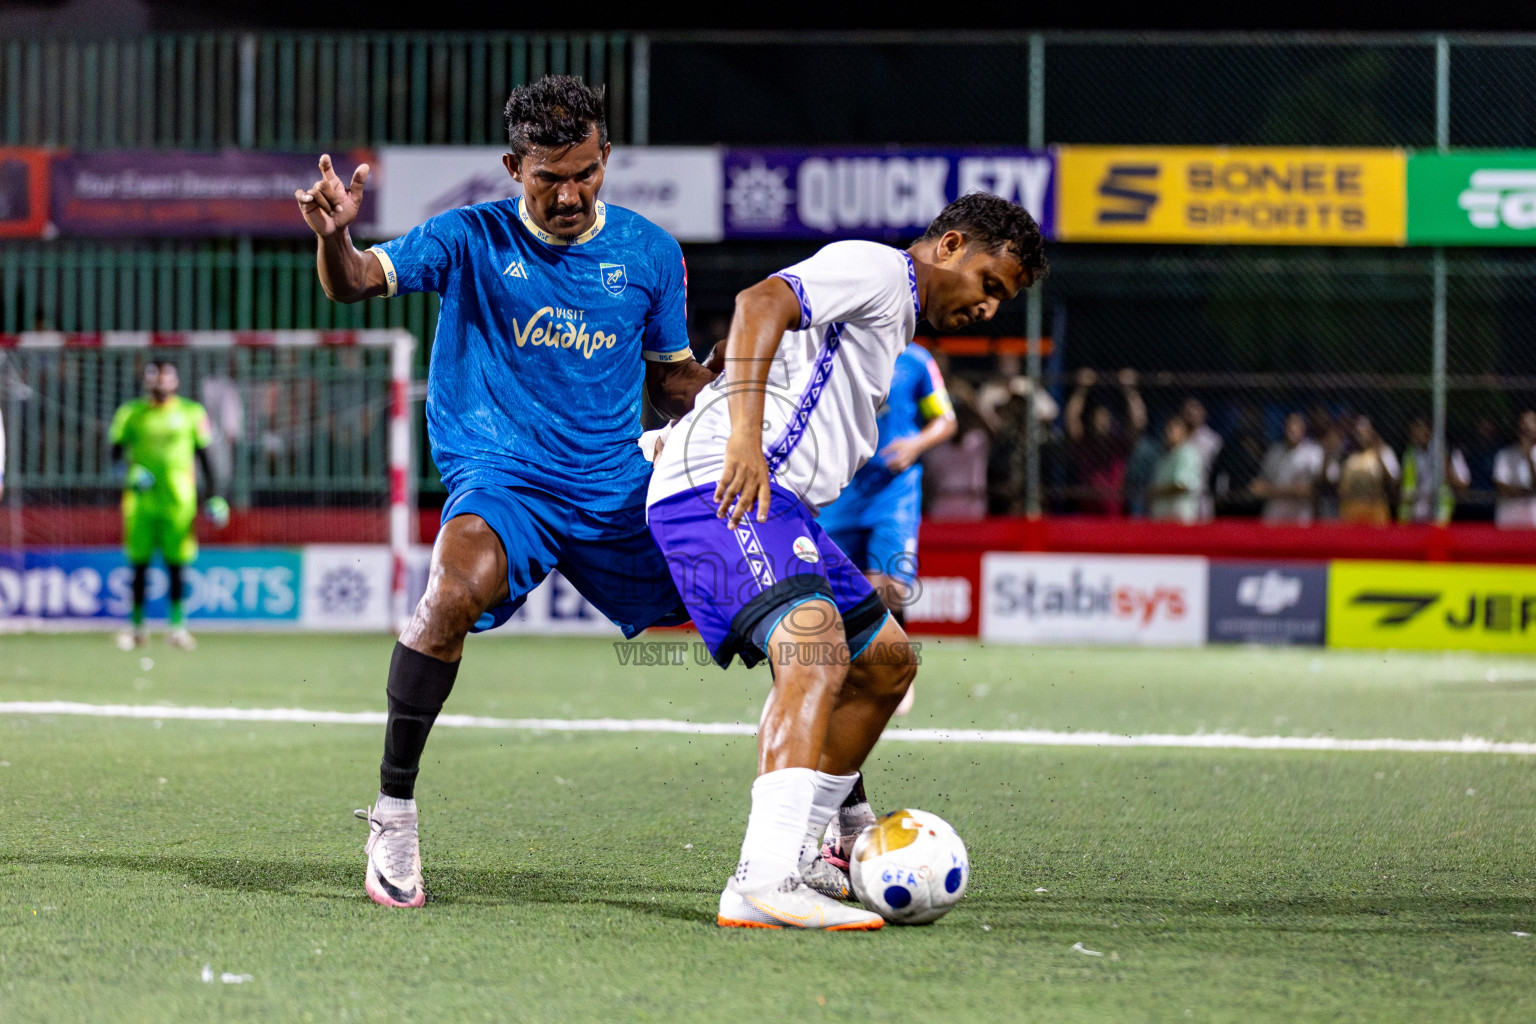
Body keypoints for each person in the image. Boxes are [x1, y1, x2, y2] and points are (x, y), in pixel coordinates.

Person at [297, 75, 715, 909]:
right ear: (511, 166)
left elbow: (672, 384)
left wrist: (742, 392)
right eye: (547, 176)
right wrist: (336, 239)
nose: (569, 193)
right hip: (503, 477)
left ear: (606, 161)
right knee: (447, 596)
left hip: (614, 487)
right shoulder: (467, 237)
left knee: (752, 593)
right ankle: (394, 814)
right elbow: (353, 283)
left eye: (586, 173)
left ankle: (833, 820)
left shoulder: (649, 252)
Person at [645, 193, 1045, 930]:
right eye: (991, 284)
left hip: (781, 504)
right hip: (726, 486)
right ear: (951, 245)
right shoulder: (881, 272)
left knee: (888, 661)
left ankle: (800, 858)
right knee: (815, 646)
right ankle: (763, 881)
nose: (990, 308)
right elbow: (759, 301)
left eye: (1004, 301)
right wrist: (735, 435)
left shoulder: (892, 322)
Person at [815, 341, 956, 716]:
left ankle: (895, 670)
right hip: (841, 490)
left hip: (894, 492)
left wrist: (916, 444)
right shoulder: (836, 349)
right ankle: (849, 673)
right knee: (831, 591)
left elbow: (946, 419)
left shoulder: (917, 361)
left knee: (891, 586)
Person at [108, 361, 229, 651]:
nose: (161, 382)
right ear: (147, 380)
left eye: (166, 376)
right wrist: (128, 473)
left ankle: (177, 628)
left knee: (178, 566)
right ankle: (136, 628)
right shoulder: (131, 413)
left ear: (175, 380)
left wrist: (216, 495)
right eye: (156, 376)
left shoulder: (191, 412)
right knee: (139, 566)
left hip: (179, 502)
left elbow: (207, 457)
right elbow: (113, 456)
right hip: (140, 503)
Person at [1064, 368, 1146, 515]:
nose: (1102, 421)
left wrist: (1130, 391)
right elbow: (1071, 420)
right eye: (1098, 417)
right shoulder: (1086, 445)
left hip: (1115, 513)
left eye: (1105, 417)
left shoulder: (1118, 445)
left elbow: (1138, 423)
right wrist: (1081, 390)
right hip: (1088, 513)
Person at [1251, 412, 1325, 525]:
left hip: (1300, 520)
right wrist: (1293, 491)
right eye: (1290, 425)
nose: (1292, 429)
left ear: (1303, 428)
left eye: (1297, 425)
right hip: (1273, 519)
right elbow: (1257, 487)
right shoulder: (1275, 451)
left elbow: (1310, 490)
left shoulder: (1313, 452)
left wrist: (1271, 491)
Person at [1398, 417, 1470, 524]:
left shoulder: (1448, 451)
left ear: (1429, 430)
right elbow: (1406, 483)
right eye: (1413, 430)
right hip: (1417, 509)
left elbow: (1463, 484)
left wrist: (1446, 466)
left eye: (1419, 428)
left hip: (1441, 509)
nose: (1415, 433)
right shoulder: (1411, 453)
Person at [1336, 415, 1399, 526]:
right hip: (1352, 510)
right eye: (1359, 432)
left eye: (1366, 431)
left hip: (1375, 509)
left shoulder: (1384, 452)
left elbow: (1394, 482)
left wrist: (1379, 458)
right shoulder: (1349, 457)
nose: (1362, 435)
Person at [1149, 416, 1203, 524]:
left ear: (1185, 432)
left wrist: (1157, 492)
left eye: (1174, 428)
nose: (1169, 432)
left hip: (1179, 518)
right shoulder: (1167, 456)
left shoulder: (1186, 454)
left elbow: (1182, 485)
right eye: (1168, 428)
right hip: (1165, 518)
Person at [1493, 410, 1536, 529]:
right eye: (1523, 423)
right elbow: (1502, 486)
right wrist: (1529, 492)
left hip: (1533, 519)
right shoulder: (1505, 454)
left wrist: (1529, 457)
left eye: (1531, 422)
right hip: (1509, 518)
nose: (1527, 427)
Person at [1180, 396, 1222, 520]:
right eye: (1188, 410)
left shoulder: (1213, 440)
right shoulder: (1177, 438)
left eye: (1195, 409)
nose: (1192, 413)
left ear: (1203, 412)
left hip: (1203, 495)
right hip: (1179, 496)